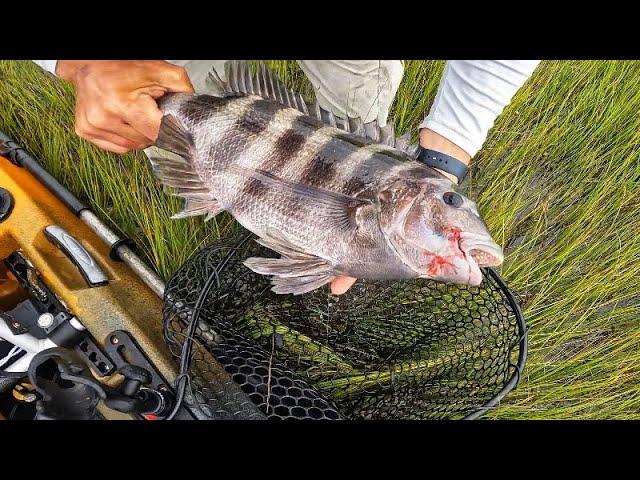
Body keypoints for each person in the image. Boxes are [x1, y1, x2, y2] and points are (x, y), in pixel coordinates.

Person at [32, 59, 540, 295]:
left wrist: (446, 155)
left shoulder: (400, 205)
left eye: (453, 205)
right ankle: (206, 157)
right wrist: (80, 64)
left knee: (356, 102)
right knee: (170, 102)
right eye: (454, 207)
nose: (456, 214)